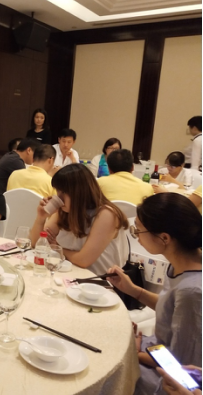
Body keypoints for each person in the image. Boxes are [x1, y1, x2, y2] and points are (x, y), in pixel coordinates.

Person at [107, 193, 201, 395]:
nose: (137, 236)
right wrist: (134, 290)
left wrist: (135, 353)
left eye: (138, 230)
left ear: (164, 238)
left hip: (169, 379)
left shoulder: (192, 291)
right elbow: (172, 309)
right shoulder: (183, 263)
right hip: (155, 350)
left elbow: (183, 365)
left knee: (105, 368)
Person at [31, 163, 128, 275]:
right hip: (70, 274)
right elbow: (37, 244)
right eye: (58, 191)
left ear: (79, 192)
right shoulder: (65, 211)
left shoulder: (106, 214)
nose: (59, 197)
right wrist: (41, 217)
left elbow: (83, 261)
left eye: (63, 192)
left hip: (99, 279)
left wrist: (58, 248)